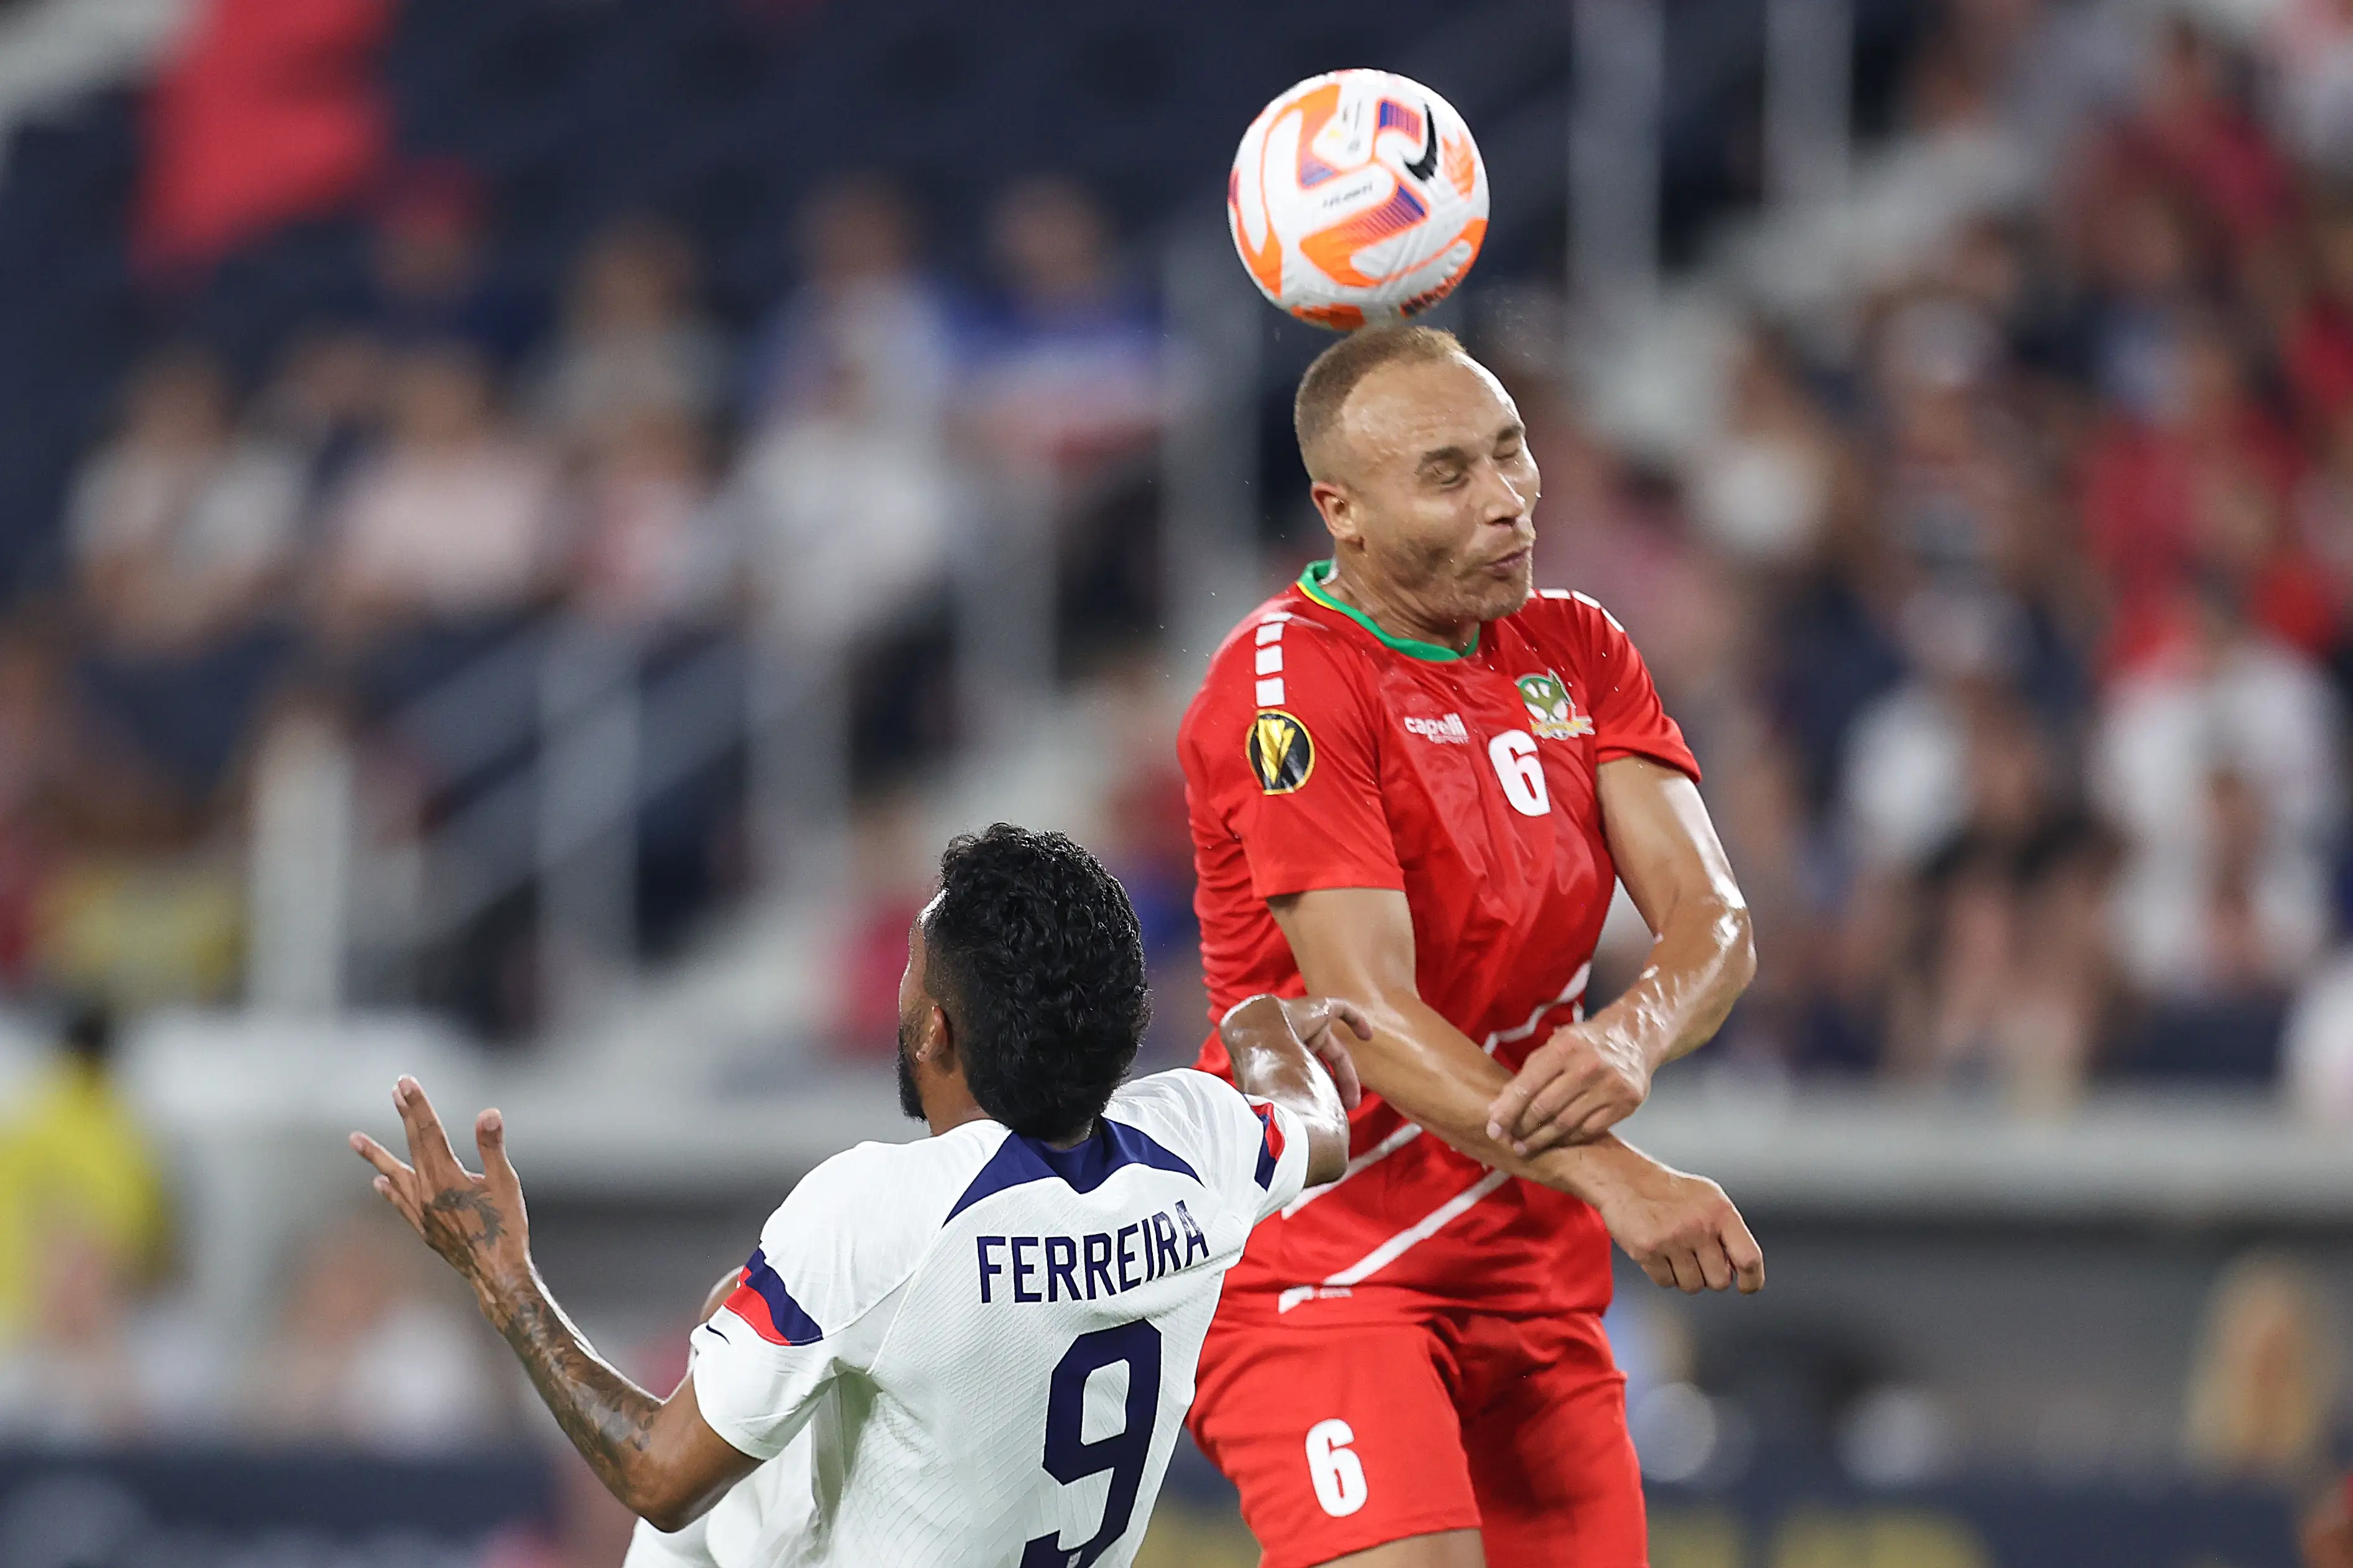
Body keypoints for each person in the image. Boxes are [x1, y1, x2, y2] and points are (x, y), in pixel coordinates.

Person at [353, 823, 1360, 1565]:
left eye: (914, 973)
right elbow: (1318, 1127)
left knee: (732, 1381)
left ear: (937, 1030)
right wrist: (1261, 1027)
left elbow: (656, 1477)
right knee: (750, 1344)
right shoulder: (1197, 1147)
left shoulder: (881, 1212)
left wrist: (503, 1280)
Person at [1177, 323, 1764, 1568]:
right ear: (1341, 512)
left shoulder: (1578, 648)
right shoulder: (1285, 684)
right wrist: (1618, 1176)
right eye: (1448, 475)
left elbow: (1712, 922)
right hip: (1322, 1263)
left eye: (1510, 452)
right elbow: (1368, 1013)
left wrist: (1632, 1033)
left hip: (1527, 1271)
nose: (1506, 500)